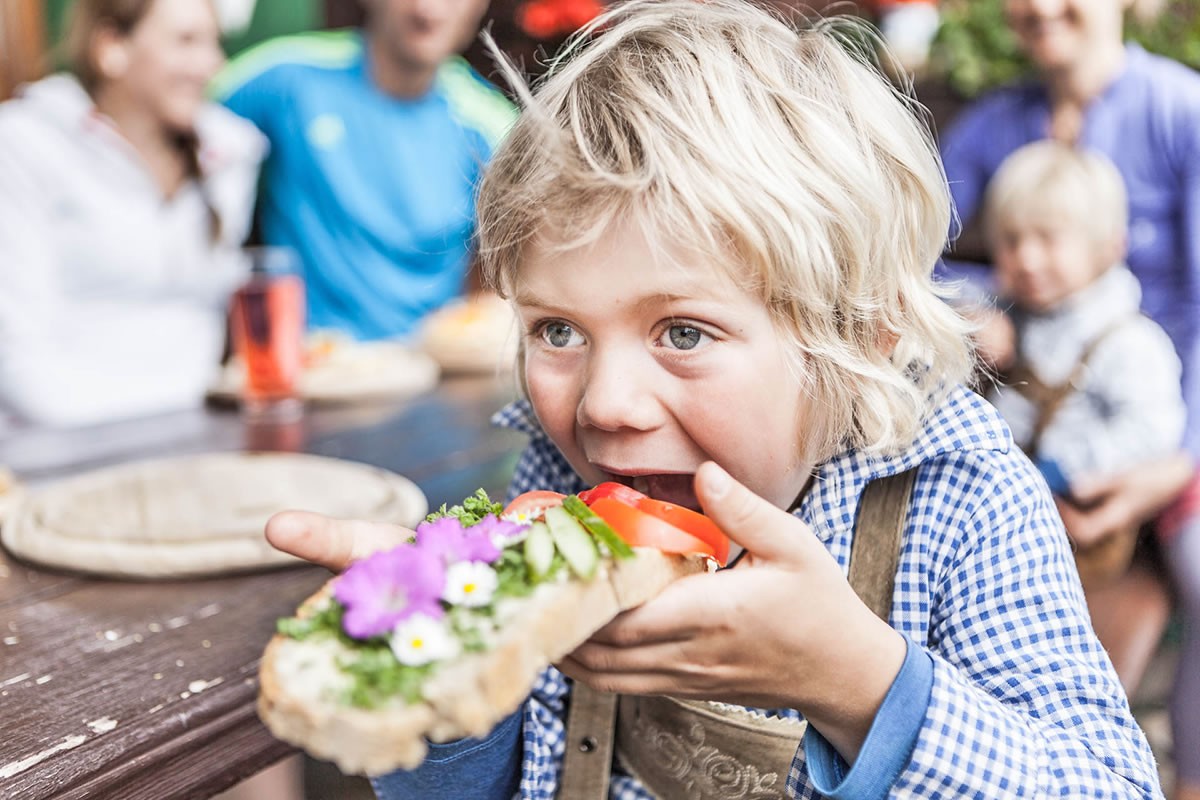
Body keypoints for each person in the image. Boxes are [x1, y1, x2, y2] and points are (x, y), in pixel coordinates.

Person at [265, 2, 1165, 797]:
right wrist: (441, 676)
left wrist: (859, 683)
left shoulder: (961, 500)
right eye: (559, 331)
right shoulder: (559, 484)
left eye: (684, 333)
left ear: (862, 335)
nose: (606, 406)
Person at [939, 2, 1200, 796]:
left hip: (1168, 415)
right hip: (1036, 421)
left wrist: (1177, 461)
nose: (1043, 7)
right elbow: (910, 247)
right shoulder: (993, 123)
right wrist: (976, 305)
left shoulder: (1179, 112)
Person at [0, 0, 264, 430]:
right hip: (55, 441)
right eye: (186, 41)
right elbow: (16, 362)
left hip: (203, 433)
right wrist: (201, 400)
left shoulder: (232, 152)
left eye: (214, 42)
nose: (212, 64)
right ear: (111, 47)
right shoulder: (23, 144)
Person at [214, 0, 517, 342]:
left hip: (434, 364)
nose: (428, 9)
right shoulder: (289, 78)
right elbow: (181, 117)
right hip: (310, 361)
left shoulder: (493, 124)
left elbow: (524, 269)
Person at [981, 141, 1186, 589]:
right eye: (1012, 240)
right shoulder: (1005, 316)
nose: (1027, 259)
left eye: (1047, 239)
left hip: (1071, 525)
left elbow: (1151, 431)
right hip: (996, 508)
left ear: (1108, 247)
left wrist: (1062, 469)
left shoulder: (1130, 343)